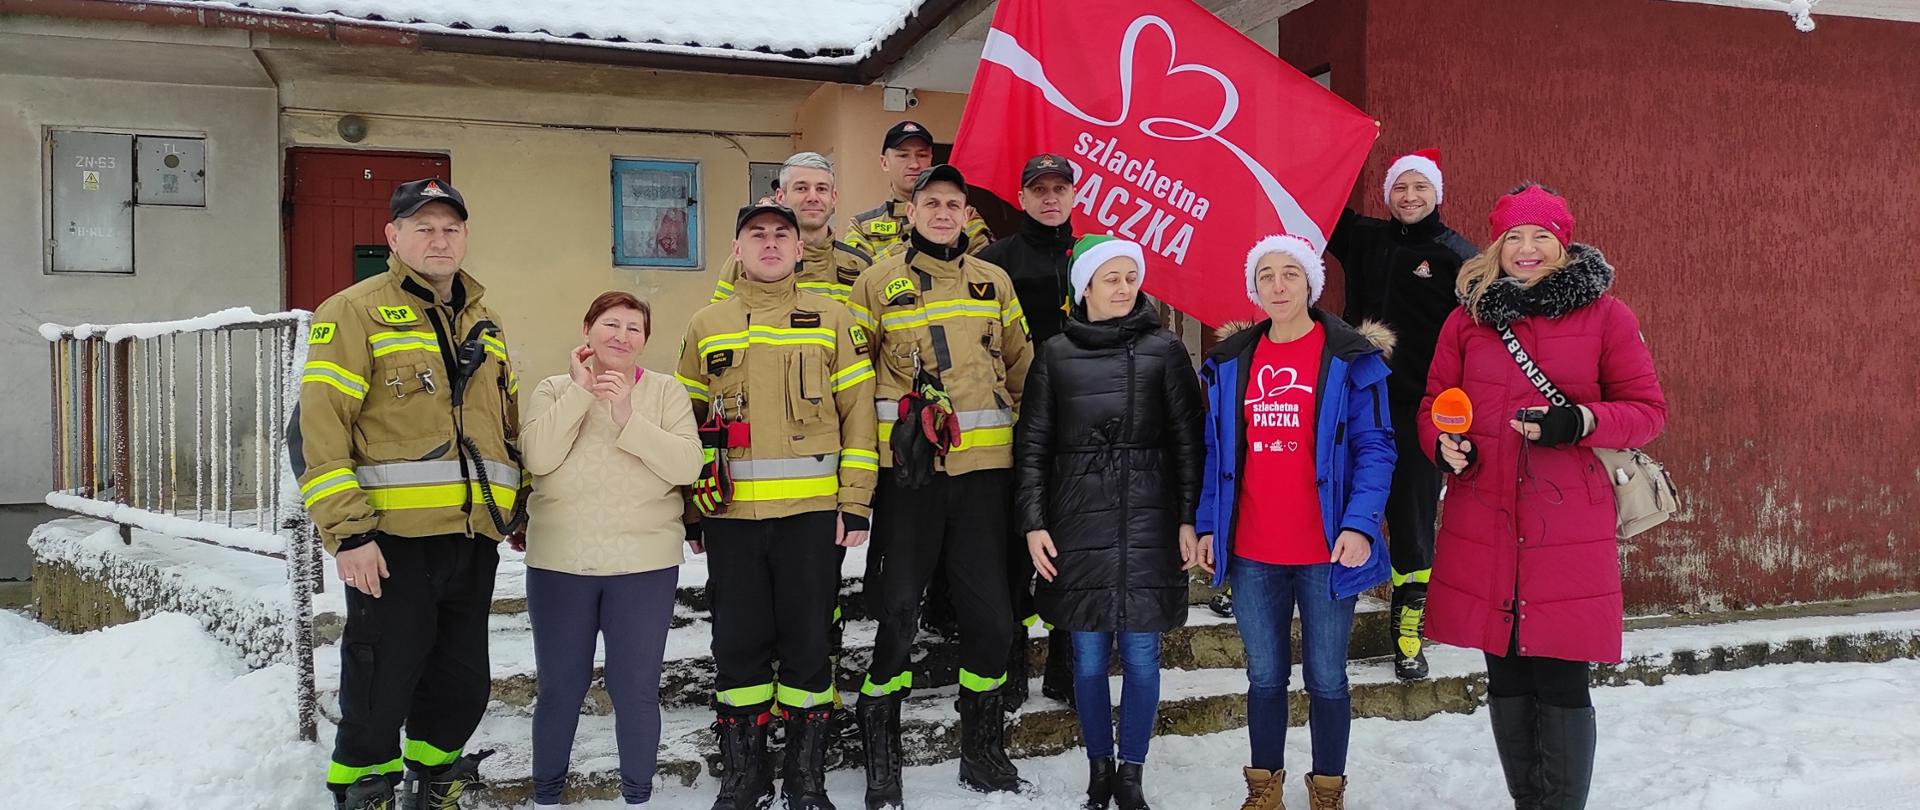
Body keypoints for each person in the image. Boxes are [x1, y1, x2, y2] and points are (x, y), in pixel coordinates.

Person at [1418, 184, 1666, 810]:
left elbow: (1647, 412)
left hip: (1567, 525)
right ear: (1496, 247)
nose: (1527, 250)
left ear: (1563, 244)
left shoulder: (1609, 316)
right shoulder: (1465, 320)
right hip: (1485, 515)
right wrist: (1446, 447)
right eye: (1514, 239)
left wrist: (1578, 422)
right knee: (1504, 673)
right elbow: (1433, 406)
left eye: (1542, 238)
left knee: (1560, 675)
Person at [291, 178, 523, 810]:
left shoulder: (485, 319)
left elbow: (502, 424)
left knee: (461, 682)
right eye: (423, 227)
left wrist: (515, 505)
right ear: (393, 237)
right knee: (382, 679)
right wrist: (350, 535)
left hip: (471, 538)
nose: (439, 238)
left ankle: (436, 781)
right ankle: (365, 788)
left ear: (465, 238)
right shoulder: (352, 310)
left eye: (450, 227)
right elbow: (317, 432)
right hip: (389, 544)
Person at [677, 202, 879, 810]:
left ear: (799, 250)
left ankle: (804, 778)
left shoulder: (834, 318)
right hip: (733, 519)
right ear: (737, 250)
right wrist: (693, 510)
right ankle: (745, 777)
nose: (769, 244)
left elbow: (859, 417)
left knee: (808, 643)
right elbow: (683, 424)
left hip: (811, 516)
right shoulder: (706, 323)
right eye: (756, 235)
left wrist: (857, 503)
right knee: (736, 644)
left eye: (781, 236)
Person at [848, 164, 1033, 808]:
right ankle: (882, 754)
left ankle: (982, 748)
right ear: (913, 210)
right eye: (932, 203)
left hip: (985, 482)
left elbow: (1021, 367)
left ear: (966, 213)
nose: (944, 213)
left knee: (992, 619)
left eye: (955, 204)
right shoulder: (875, 284)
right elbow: (854, 382)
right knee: (899, 611)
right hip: (911, 482)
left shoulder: (993, 281)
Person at [1194, 235, 1397, 810]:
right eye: (1265, 275)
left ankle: (1327, 790)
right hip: (1255, 550)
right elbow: (1215, 453)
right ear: (1252, 287)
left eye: (1290, 273)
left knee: (1327, 679)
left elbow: (1377, 446)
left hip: (1326, 549)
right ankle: (1265, 789)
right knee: (1264, 678)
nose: (1278, 285)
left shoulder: (1351, 358)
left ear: (1311, 282)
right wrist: (1209, 524)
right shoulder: (1231, 362)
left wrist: (1359, 525)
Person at [1013, 236, 1205, 810]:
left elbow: (1188, 442)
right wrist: (1033, 520)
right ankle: (1099, 769)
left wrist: (1190, 517)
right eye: (1111, 278)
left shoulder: (1166, 350)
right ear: (1085, 287)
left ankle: (1132, 774)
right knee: (1089, 657)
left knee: (1143, 657)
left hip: (1150, 522)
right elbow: (1033, 447)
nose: (1123, 288)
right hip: (1077, 524)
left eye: (1130, 277)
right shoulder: (1053, 354)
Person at [518, 292, 703, 807]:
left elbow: (687, 465)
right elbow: (538, 456)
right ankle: (547, 795)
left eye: (634, 328)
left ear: (645, 340)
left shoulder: (666, 393)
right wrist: (581, 395)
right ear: (587, 329)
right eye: (611, 324)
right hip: (560, 563)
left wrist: (626, 415)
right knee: (559, 688)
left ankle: (637, 796)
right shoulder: (554, 389)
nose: (622, 336)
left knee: (636, 689)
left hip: (643, 566)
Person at [1328, 148, 1479, 680]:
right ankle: (1323, 619)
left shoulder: (1460, 256)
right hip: (1353, 405)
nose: (1409, 197)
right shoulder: (1364, 237)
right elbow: (1308, 205)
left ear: (1437, 193)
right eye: (1399, 188)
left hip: (1420, 411)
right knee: (1333, 503)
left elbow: (1484, 340)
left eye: (1420, 188)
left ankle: (1408, 631)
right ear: (1387, 194)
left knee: (1412, 524)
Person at [976, 151, 1080, 707]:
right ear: (1021, 198)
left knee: (1068, 547)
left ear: (1073, 195)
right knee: (1013, 548)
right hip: (1012, 422)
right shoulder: (994, 262)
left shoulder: (1091, 257)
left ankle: (1065, 662)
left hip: (1078, 429)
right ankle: (1011, 659)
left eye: (1059, 188)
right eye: (1038, 189)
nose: (1049, 198)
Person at [712, 152, 873, 305]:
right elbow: (719, 321)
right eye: (801, 188)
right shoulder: (749, 259)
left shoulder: (858, 264)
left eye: (821, 189)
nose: (812, 198)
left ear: (833, 198)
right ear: (781, 197)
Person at [843, 121, 992, 259]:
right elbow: (857, 278)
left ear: (931, 159)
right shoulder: (863, 225)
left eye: (922, 155)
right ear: (884, 162)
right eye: (903, 155)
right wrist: (909, 246)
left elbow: (985, 268)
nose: (914, 164)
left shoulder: (963, 215)